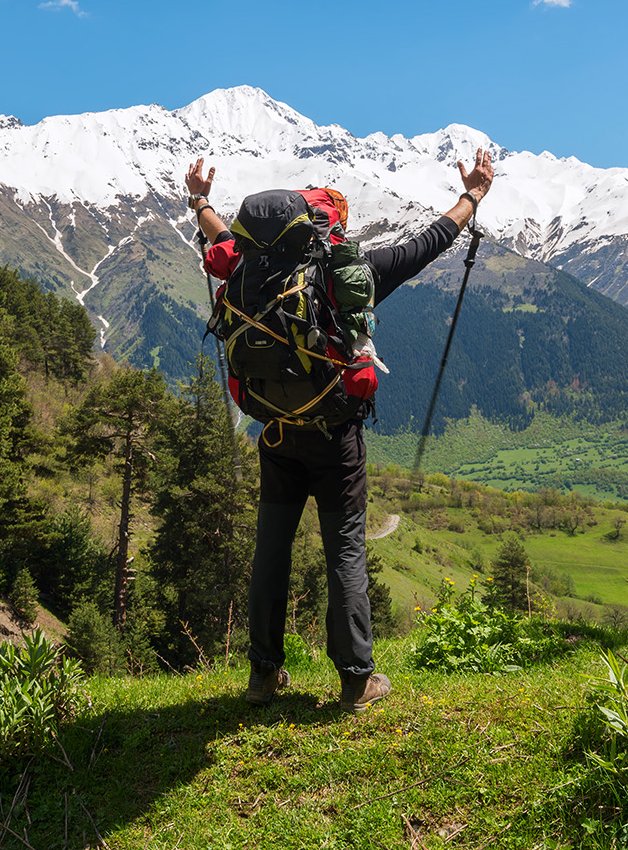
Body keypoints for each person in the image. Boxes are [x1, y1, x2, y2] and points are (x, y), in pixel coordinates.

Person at [185, 149, 494, 711]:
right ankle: (356, 679)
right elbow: (429, 242)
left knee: (271, 552)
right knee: (345, 552)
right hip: (336, 437)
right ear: (321, 231)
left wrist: (199, 199)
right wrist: (472, 196)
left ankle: (262, 676)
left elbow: (220, 234)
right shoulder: (347, 275)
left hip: (276, 434)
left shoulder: (245, 269)